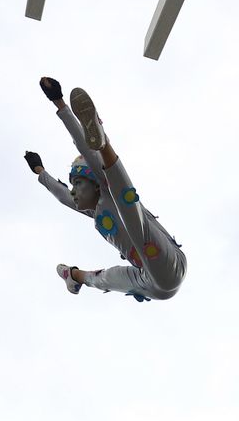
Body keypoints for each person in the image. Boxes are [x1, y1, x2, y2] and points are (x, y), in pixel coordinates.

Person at [27, 77, 188, 302]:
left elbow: (81, 143)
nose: (73, 190)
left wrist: (60, 104)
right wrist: (41, 172)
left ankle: (103, 144)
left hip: (168, 262)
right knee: (106, 278)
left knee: (127, 206)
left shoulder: (105, 189)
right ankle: (72, 275)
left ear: (93, 182)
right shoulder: (96, 212)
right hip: (149, 282)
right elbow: (64, 197)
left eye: (78, 183)